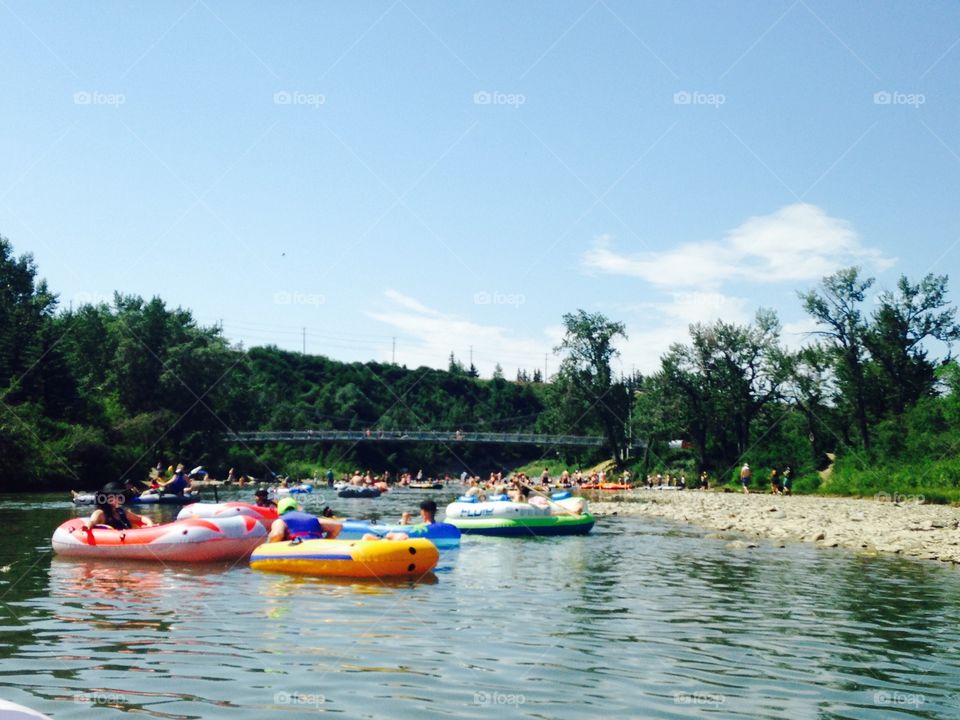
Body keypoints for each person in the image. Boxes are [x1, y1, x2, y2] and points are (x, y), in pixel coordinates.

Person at [86, 482, 154, 530]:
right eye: (116, 497)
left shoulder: (121, 512)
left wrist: (150, 524)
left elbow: (140, 518)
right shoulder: (100, 513)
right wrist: (87, 526)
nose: (119, 499)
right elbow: (92, 521)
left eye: (119, 497)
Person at [268, 497, 341, 542]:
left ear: (279, 510)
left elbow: (276, 535)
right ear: (296, 508)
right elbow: (338, 526)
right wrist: (326, 542)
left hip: (295, 550)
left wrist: (269, 546)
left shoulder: (280, 521)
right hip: (317, 548)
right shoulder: (313, 518)